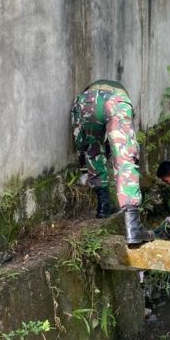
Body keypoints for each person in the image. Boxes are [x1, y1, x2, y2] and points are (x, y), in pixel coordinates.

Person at [70, 79, 153, 246]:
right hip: (116, 102)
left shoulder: (89, 91)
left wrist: (84, 170)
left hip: (85, 101)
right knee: (125, 158)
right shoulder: (120, 93)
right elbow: (121, 142)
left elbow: (80, 140)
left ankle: (103, 208)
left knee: (93, 150)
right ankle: (133, 229)